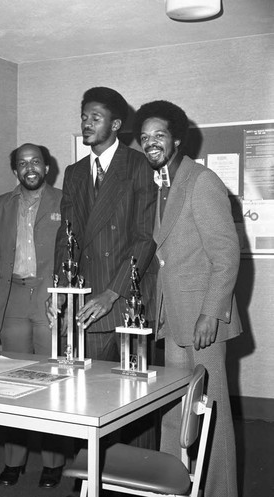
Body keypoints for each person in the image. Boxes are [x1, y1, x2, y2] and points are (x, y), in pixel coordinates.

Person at [133, 100, 241, 497]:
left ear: (177, 137)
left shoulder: (201, 180)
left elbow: (226, 256)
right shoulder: (161, 184)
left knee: (211, 412)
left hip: (201, 319)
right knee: (176, 408)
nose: (151, 143)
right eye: (145, 138)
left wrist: (211, 313)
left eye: (158, 135)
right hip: (173, 317)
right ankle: (171, 486)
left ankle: (219, 491)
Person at [46, 87, 157, 362]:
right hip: (83, 302)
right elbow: (67, 237)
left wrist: (111, 293)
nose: (86, 124)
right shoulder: (75, 173)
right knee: (79, 391)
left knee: (127, 393)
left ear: (115, 124)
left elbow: (145, 238)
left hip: (123, 300)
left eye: (95, 118)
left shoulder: (139, 165)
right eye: (84, 117)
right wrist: (62, 290)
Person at [0, 143, 65, 488]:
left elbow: (77, 253)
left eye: (36, 162)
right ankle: (14, 462)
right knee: (12, 382)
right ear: (15, 171)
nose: (29, 168)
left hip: (49, 298)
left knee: (52, 382)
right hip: (12, 299)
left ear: (47, 168)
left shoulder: (65, 201)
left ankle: (53, 462)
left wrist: (63, 296)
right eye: (22, 163)